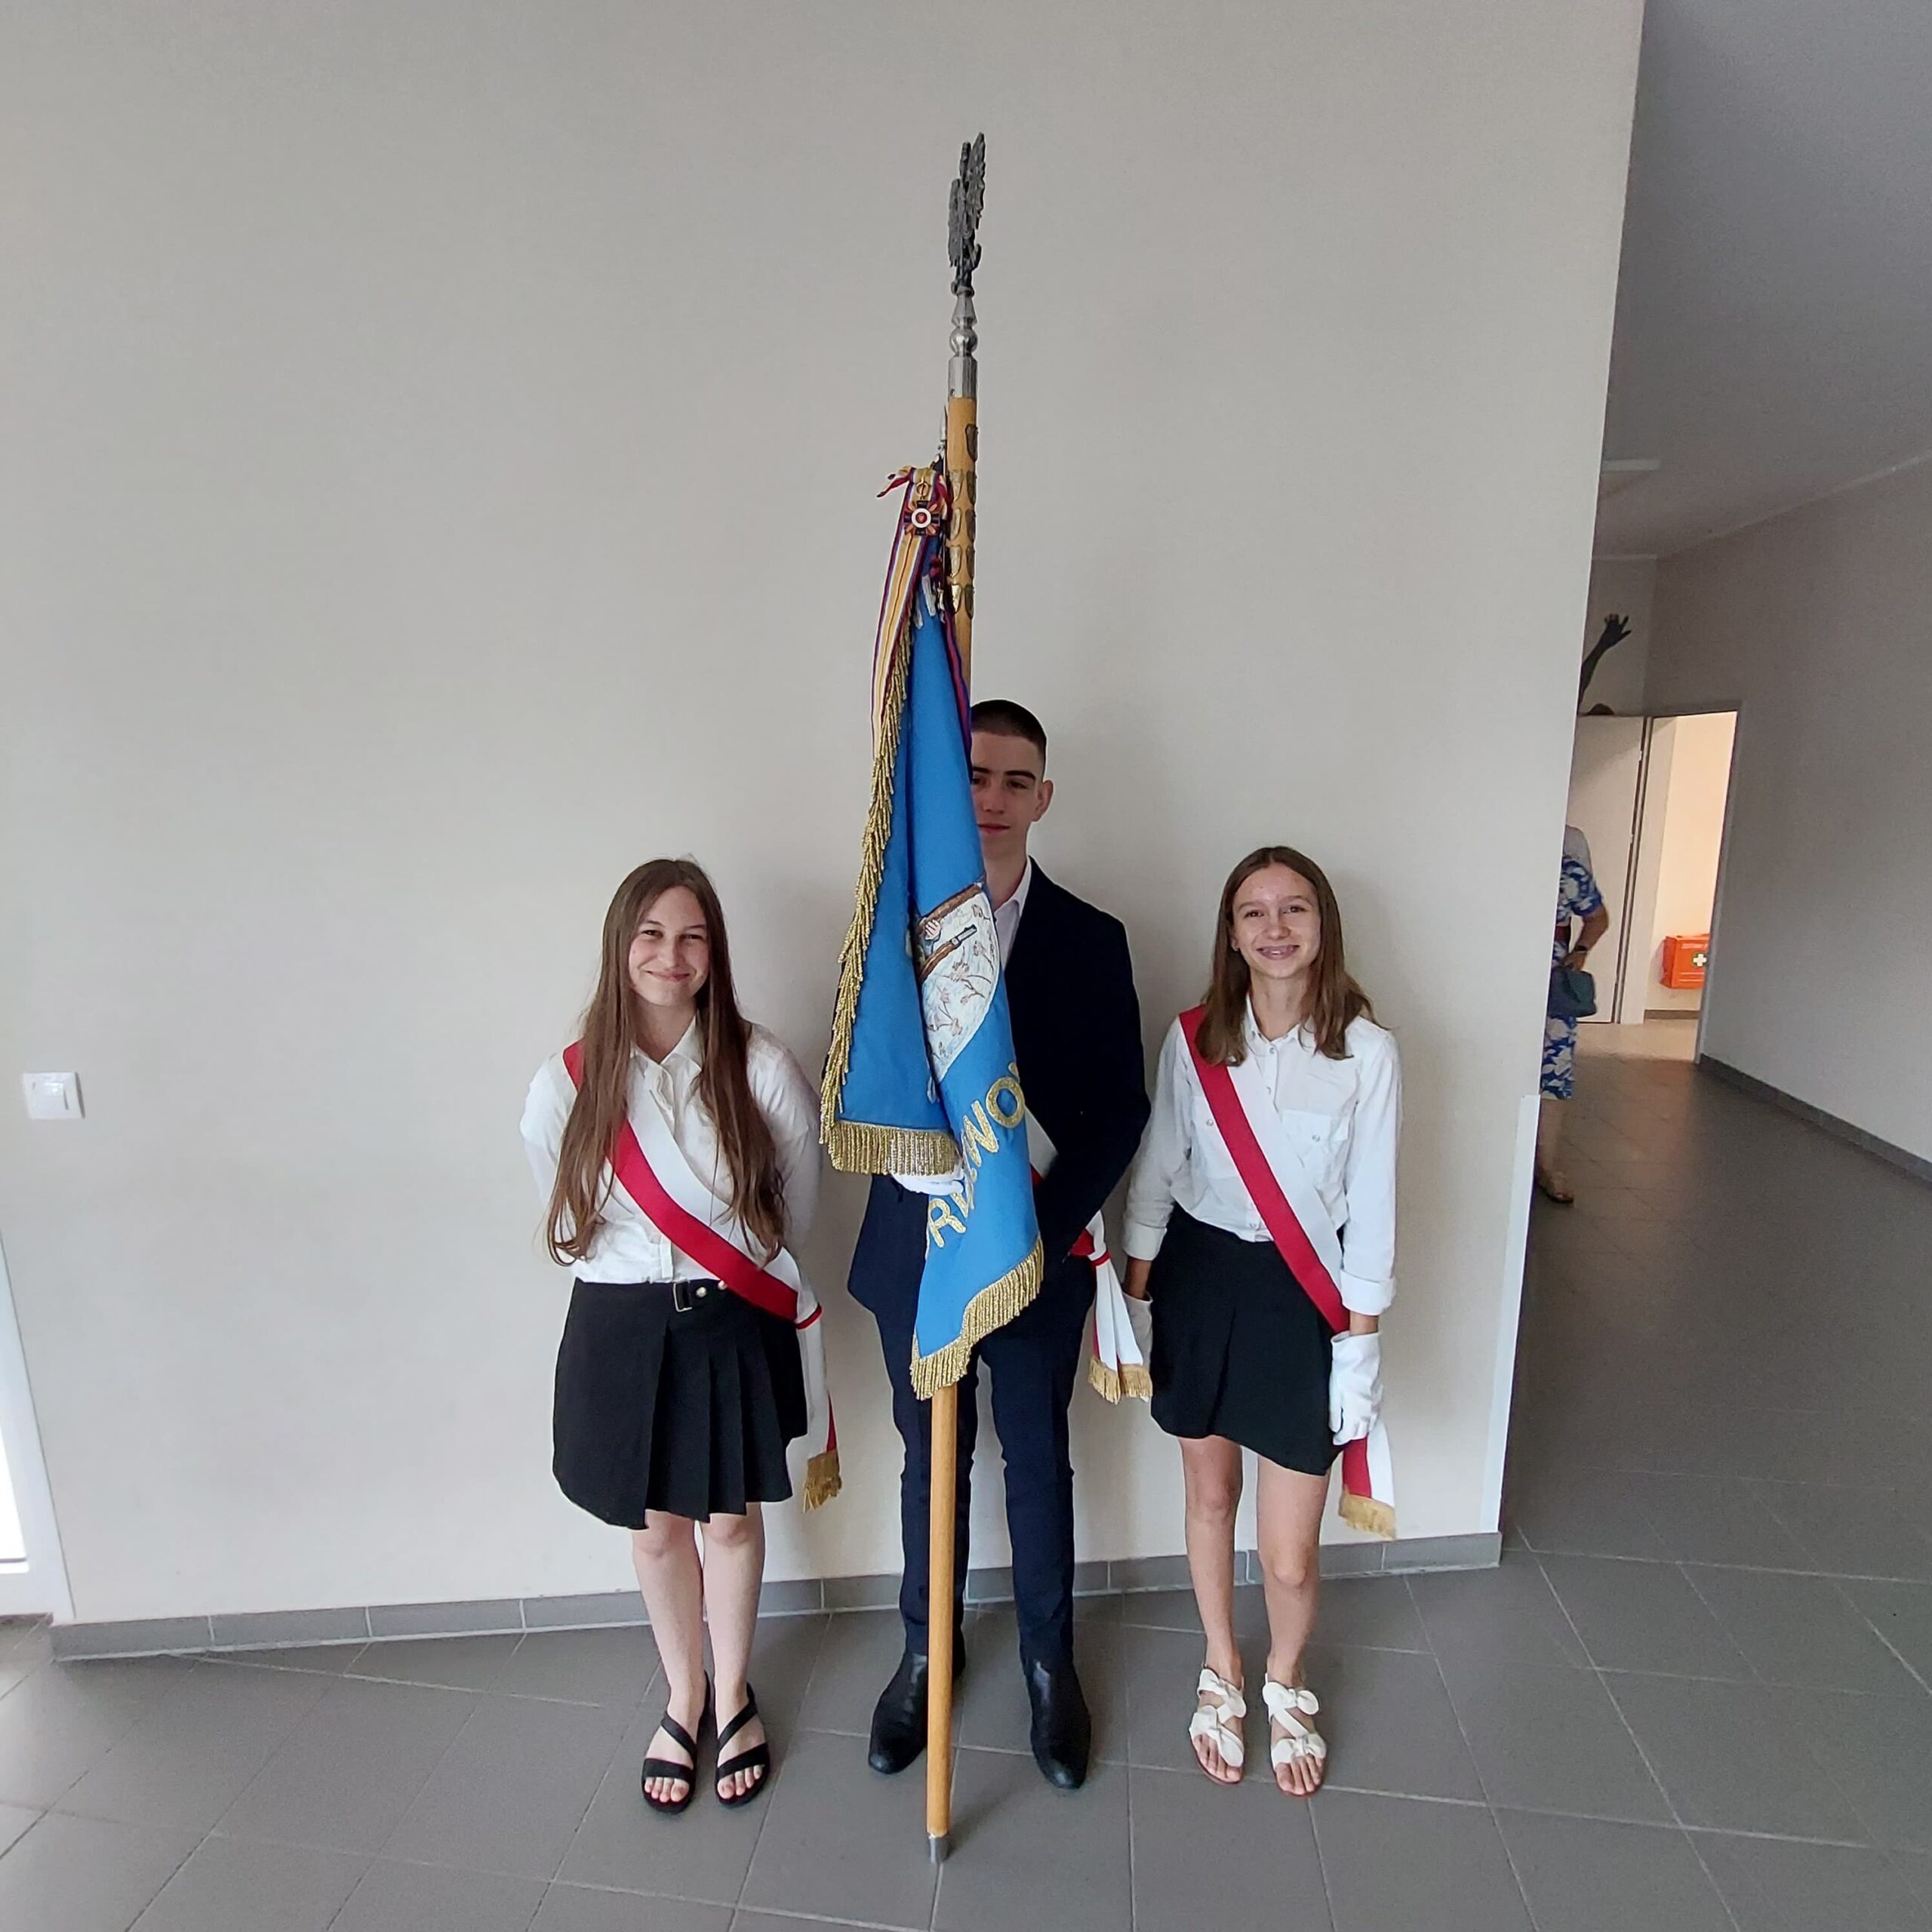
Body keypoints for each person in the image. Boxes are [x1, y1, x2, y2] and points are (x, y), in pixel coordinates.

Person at [848, 699, 1149, 1791]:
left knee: (1035, 1457)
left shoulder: (1093, 938)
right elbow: (866, 1083)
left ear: (1044, 797)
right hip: (919, 1248)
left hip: (1038, 1253)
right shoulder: (897, 929)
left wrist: (1043, 1233)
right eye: (974, 775)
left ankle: (1047, 1664)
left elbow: (1121, 1107)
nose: (993, 798)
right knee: (930, 1457)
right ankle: (926, 1651)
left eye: (1017, 780)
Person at [521, 859, 822, 1814]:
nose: (670, 955)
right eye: (650, 934)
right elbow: (562, 1207)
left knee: (729, 1518)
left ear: (713, 952)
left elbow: (793, 1210)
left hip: (727, 1317)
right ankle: (683, 1695)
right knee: (655, 1530)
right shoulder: (565, 1083)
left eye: (691, 936)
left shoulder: (760, 1067)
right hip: (619, 1328)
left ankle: (733, 1693)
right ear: (621, 946)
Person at [1122, 846, 1399, 1797]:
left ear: (1322, 924)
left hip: (1301, 1301)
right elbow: (1159, 1169)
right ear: (1231, 934)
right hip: (1199, 1281)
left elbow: (1374, 1212)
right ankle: (1221, 1665)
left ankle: (1284, 1674)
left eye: (1293, 908)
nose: (1275, 928)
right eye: (1254, 912)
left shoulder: (1368, 1054)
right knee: (1209, 1497)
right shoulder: (1194, 1037)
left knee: (1288, 1551)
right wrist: (1134, 1298)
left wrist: (1358, 1349)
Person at [1537, 826, 1609, 1202]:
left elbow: (1598, 917)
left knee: (1554, 1073)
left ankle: (1546, 1166)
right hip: (1500, 983)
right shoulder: (1499, 858)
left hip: (1553, 985)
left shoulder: (1568, 868)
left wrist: (1580, 951)